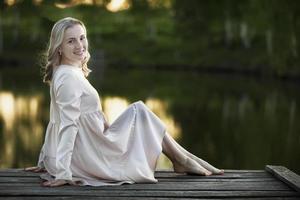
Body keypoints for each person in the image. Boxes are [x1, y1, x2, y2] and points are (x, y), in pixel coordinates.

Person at [25, 17, 224, 187]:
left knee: (140, 111)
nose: (80, 45)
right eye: (71, 41)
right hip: (87, 154)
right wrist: (62, 173)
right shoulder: (68, 78)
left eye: (82, 38)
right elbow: (66, 125)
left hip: (91, 143)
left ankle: (183, 159)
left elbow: (55, 118)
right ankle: (182, 160)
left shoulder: (67, 72)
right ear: (58, 48)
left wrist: (45, 158)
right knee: (140, 110)